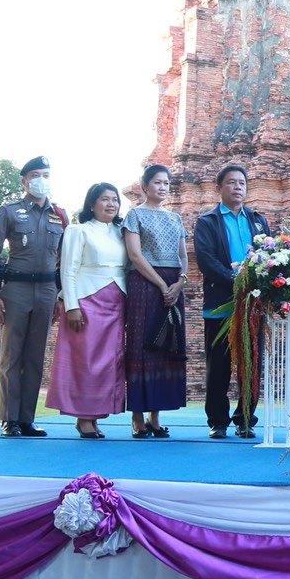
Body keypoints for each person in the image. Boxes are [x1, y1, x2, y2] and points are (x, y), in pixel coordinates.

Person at [0, 155, 67, 438]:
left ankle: (27, 419)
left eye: (47, 174)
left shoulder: (59, 215)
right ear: (25, 181)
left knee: (35, 357)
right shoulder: (9, 211)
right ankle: (10, 419)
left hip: (45, 291)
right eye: (36, 175)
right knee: (11, 356)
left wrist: (59, 296)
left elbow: (62, 261)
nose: (42, 180)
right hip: (16, 290)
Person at [192, 164, 272, 439]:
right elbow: (206, 260)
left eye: (242, 183)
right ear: (219, 188)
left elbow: (268, 257)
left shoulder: (258, 221)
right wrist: (235, 280)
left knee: (251, 363)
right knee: (219, 365)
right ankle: (218, 420)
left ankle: (246, 419)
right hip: (220, 304)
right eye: (231, 183)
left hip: (252, 304)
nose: (238, 187)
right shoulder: (207, 222)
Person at [46, 183, 127, 439]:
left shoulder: (122, 232)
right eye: (105, 199)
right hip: (87, 301)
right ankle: (84, 418)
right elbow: (67, 270)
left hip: (117, 302)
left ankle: (97, 414)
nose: (111, 204)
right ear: (92, 204)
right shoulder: (78, 230)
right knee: (86, 361)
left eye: (115, 199)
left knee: (108, 363)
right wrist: (72, 306)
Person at [123, 164, 188, 439]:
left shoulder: (175, 218)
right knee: (142, 346)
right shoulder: (134, 215)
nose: (162, 187)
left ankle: (155, 417)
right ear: (145, 185)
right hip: (145, 285)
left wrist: (180, 282)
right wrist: (162, 285)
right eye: (158, 182)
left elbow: (184, 256)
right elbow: (136, 256)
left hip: (173, 285)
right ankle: (138, 417)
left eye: (166, 183)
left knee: (166, 347)